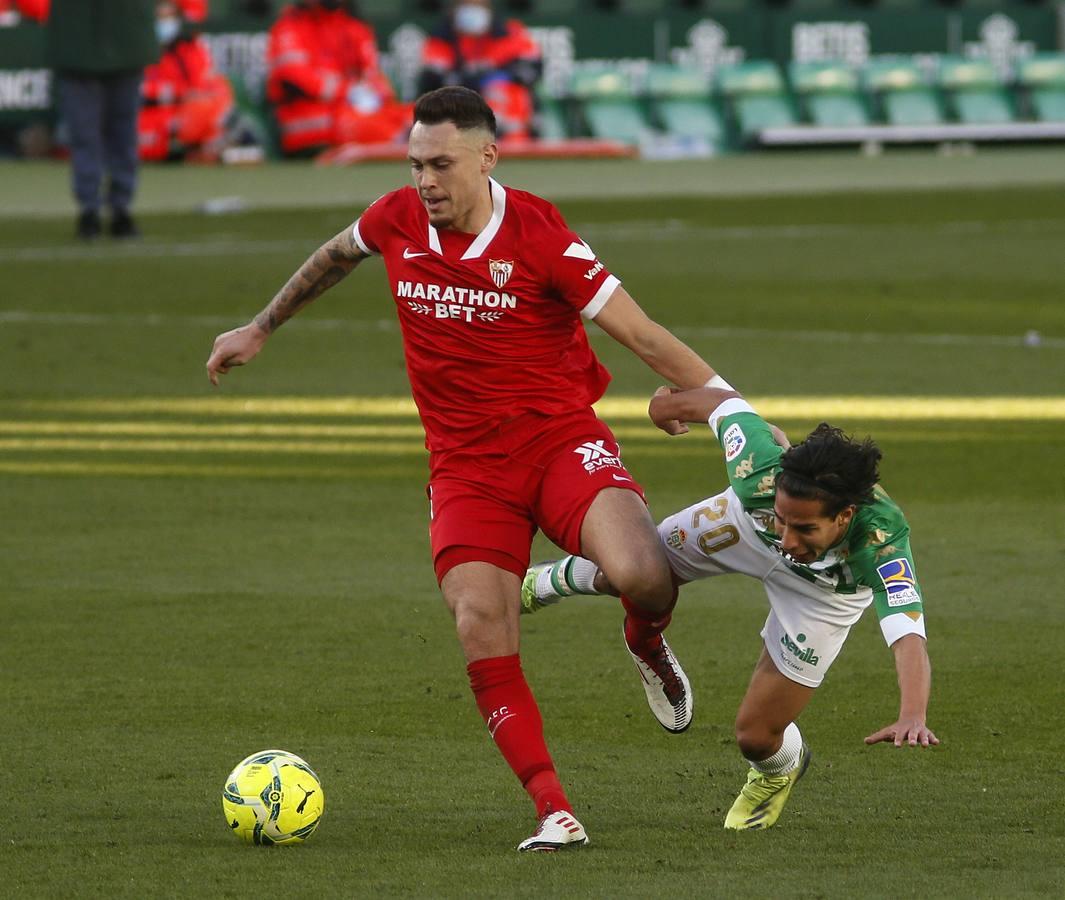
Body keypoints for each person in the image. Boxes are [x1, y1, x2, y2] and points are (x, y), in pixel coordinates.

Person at [206, 86, 718, 851]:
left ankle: (643, 641)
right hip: (467, 469)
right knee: (479, 620)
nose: (425, 181)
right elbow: (337, 254)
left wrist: (729, 408)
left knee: (646, 575)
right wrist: (262, 324)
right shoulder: (396, 218)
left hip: (557, 443)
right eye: (415, 164)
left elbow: (639, 333)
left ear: (488, 157)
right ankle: (554, 809)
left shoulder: (541, 236)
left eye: (440, 164)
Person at [522, 382, 938, 830]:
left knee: (755, 737)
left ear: (845, 517)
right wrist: (664, 406)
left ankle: (779, 771)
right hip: (742, 527)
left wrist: (912, 714)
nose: (788, 540)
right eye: (783, 518)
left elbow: (906, 631)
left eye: (805, 529)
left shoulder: (882, 542)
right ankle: (549, 581)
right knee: (636, 571)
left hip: (822, 596)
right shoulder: (757, 468)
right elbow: (725, 406)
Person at [46, 0, 157, 239]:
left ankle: (120, 208)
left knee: (123, 135)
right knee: (85, 135)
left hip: (126, 43)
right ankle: (90, 209)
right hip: (79, 46)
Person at [266, 0, 409, 156]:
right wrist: (349, 91)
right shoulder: (288, 29)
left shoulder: (353, 27)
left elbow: (376, 78)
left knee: (417, 115)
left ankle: (410, 144)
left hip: (352, 110)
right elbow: (298, 79)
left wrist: (375, 94)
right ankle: (403, 146)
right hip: (308, 120)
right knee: (369, 124)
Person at [419, 0, 541, 139]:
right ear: (454, 9)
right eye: (467, 6)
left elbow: (531, 68)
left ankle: (514, 148)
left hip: (504, 107)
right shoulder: (442, 36)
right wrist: (476, 79)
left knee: (504, 92)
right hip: (461, 107)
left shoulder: (508, 32)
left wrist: (499, 76)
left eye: (479, 6)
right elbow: (433, 78)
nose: (473, 10)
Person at [138, 1, 234, 162]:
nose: (164, 22)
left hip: (180, 113)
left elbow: (205, 86)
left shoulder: (190, 49)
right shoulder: (143, 47)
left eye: (169, 16)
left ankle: (197, 149)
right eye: (160, 17)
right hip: (149, 116)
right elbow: (141, 90)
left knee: (211, 102)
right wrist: (174, 92)